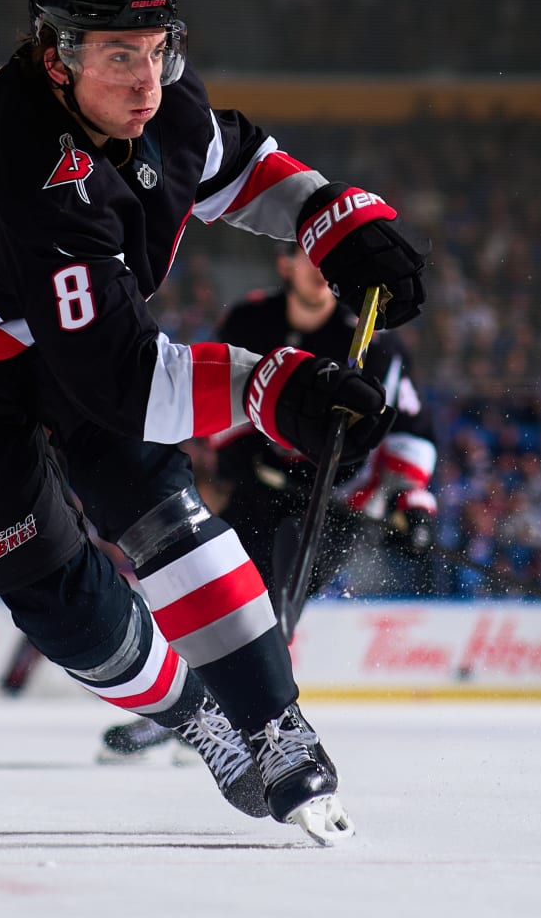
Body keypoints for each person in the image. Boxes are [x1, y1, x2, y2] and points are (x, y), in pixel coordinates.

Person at [0, 0, 427, 844]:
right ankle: (200, 718)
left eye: (159, 49)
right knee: (44, 583)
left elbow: (233, 163)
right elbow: (128, 383)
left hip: (37, 310)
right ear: (55, 60)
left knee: (159, 500)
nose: (148, 82)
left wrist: (332, 219)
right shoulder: (30, 172)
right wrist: (277, 388)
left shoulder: (157, 97)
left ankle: (273, 723)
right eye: (119, 57)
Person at [97, 243, 439, 763]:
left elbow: (409, 428)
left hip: (329, 508)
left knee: (271, 612)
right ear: (286, 266)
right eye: (308, 258)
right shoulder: (251, 320)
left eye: (327, 262)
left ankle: (243, 724)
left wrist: (412, 502)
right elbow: (218, 387)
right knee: (220, 600)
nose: (319, 270)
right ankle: (192, 716)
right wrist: (243, 458)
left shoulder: (375, 343)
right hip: (256, 495)